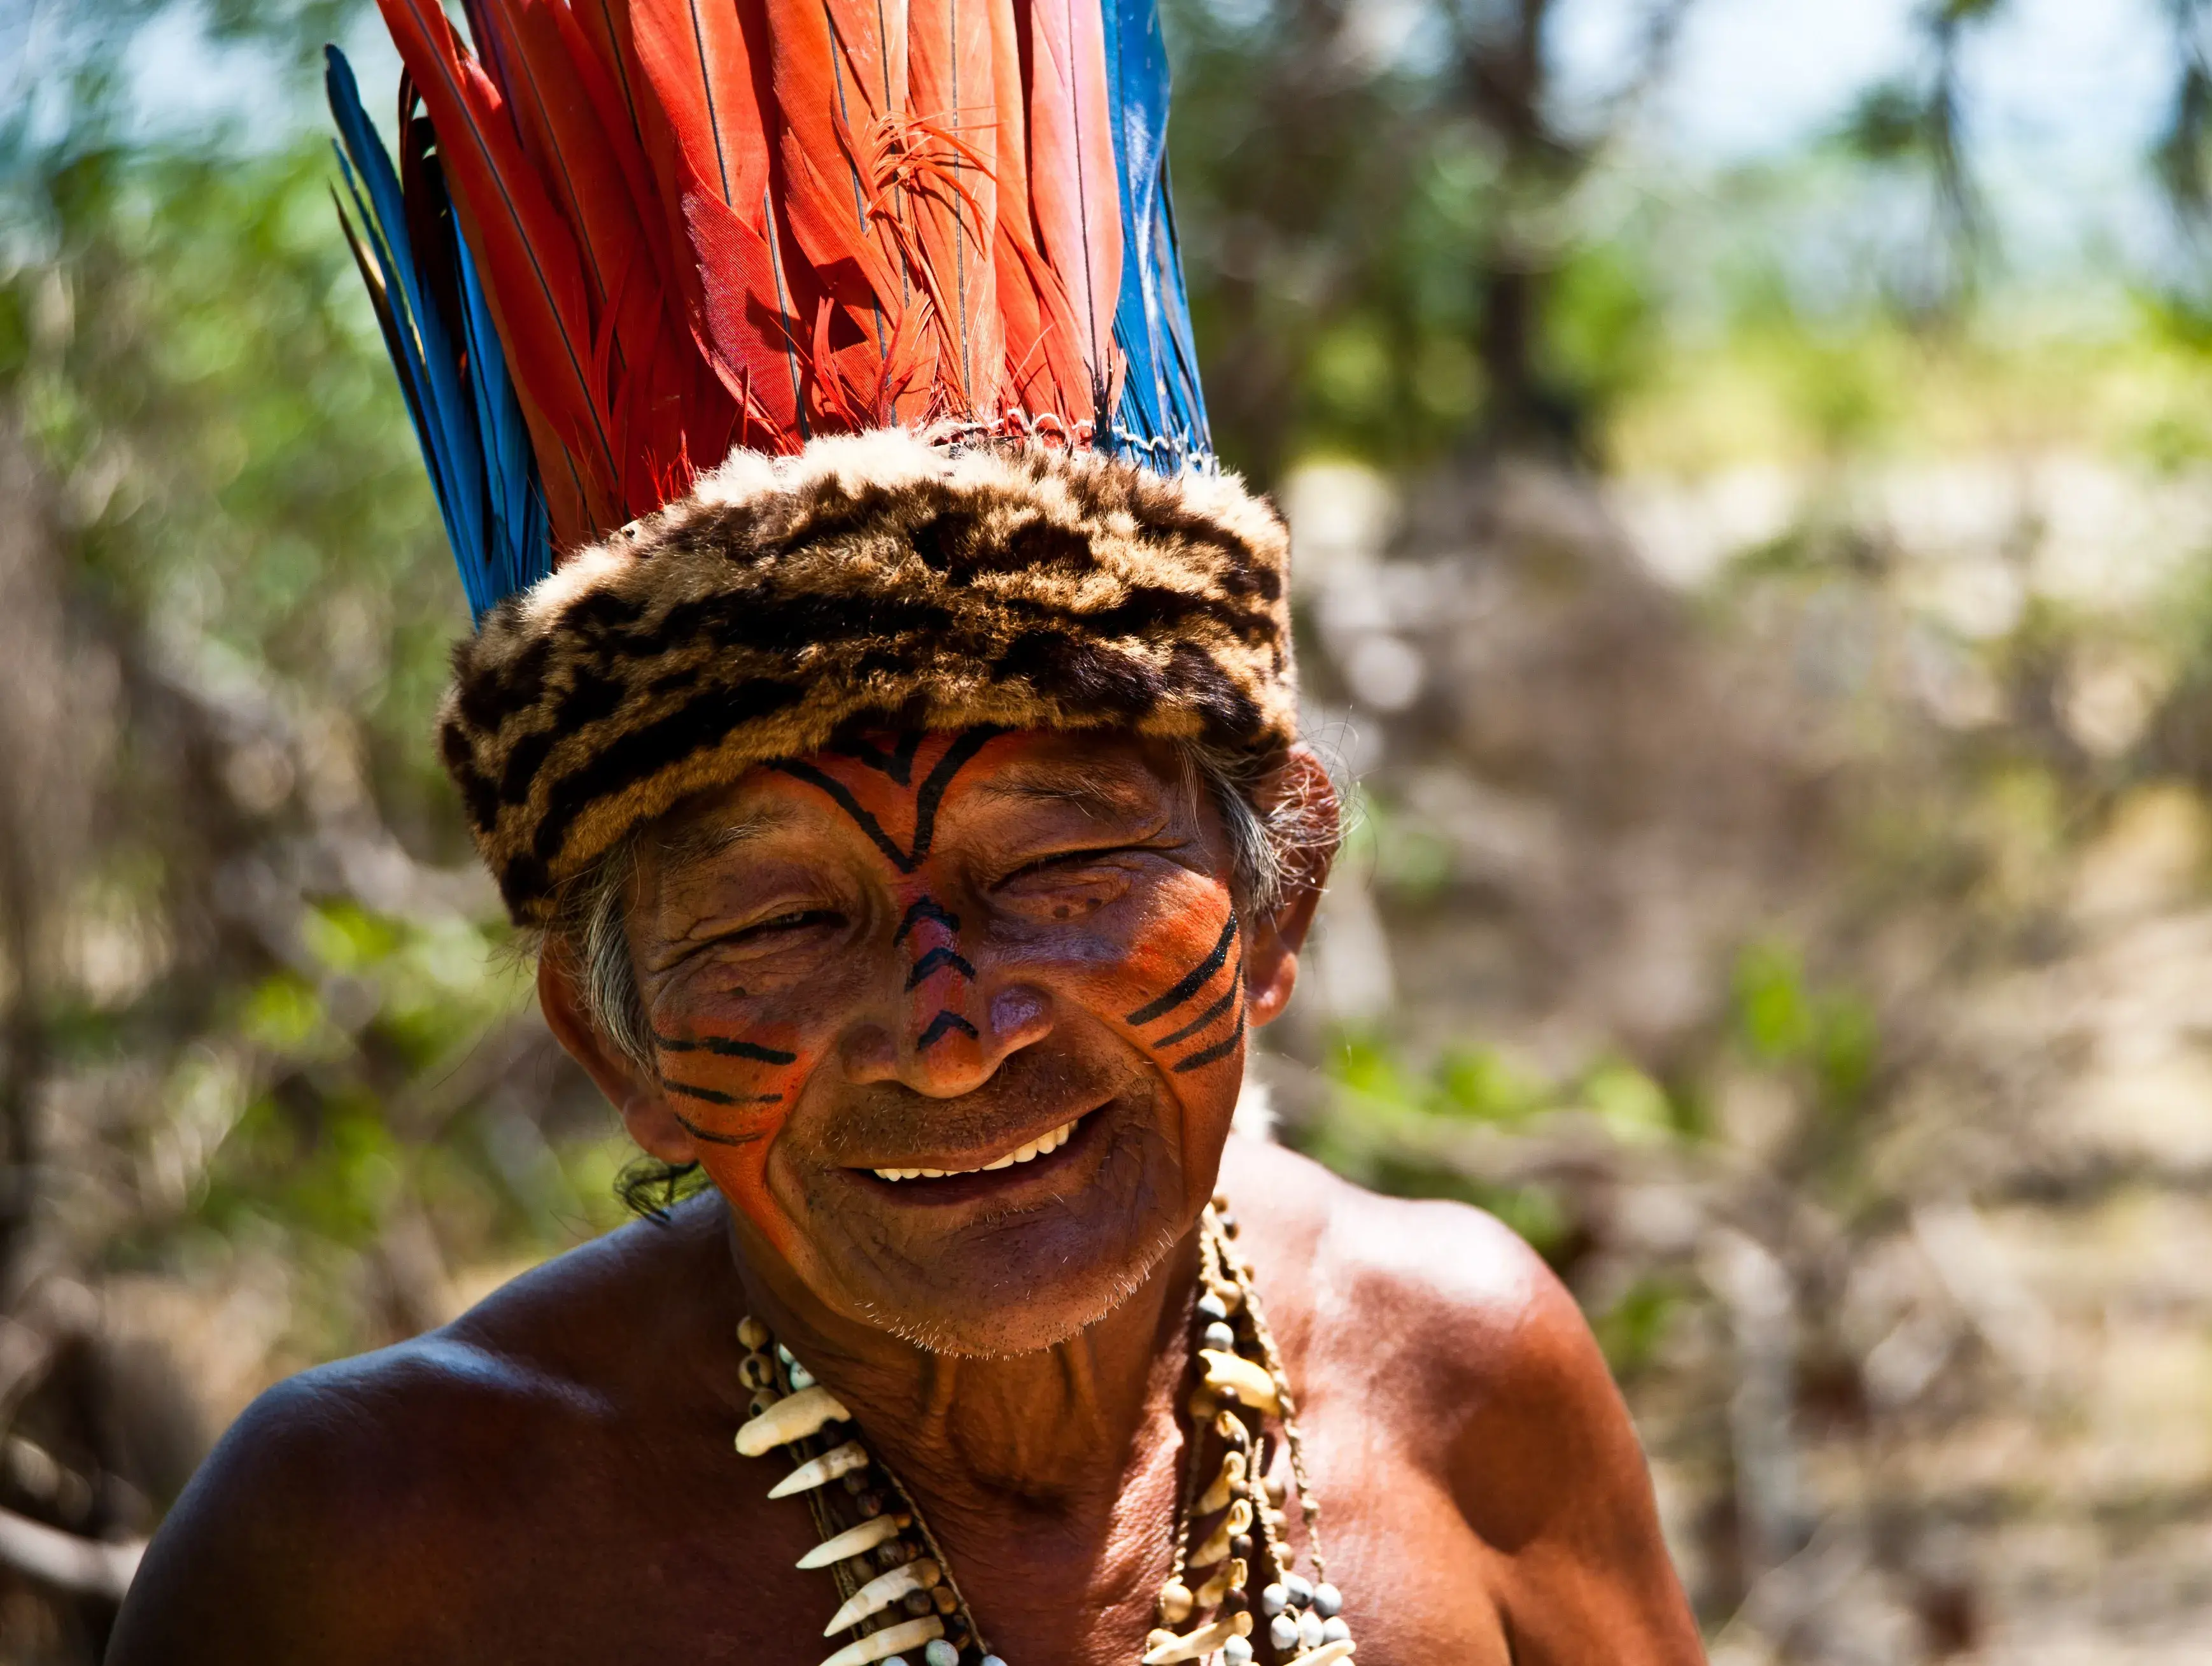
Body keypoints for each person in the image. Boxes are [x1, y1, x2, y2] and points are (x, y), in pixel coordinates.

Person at [106, 3, 1703, 1662]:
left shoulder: (1459, 1385)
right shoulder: (366, 1557)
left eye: (1056, 868)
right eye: (780, 920)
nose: (951, 1038)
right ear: (614, 1039)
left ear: (1275, 889)